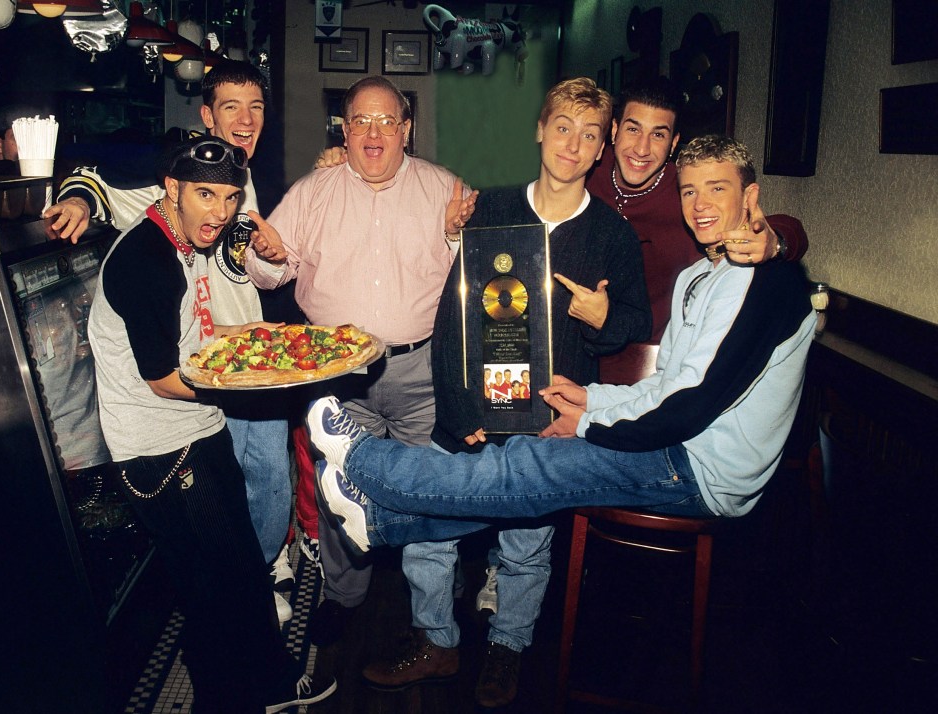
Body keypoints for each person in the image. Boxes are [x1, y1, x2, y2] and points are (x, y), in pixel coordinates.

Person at [307, 137, 816, 621]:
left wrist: (589, 424)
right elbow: (666, 385)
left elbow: (689, 405)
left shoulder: (768, 279)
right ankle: (375, 522)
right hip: (679, 447)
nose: (700, 203)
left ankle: (365, 460)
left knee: (531, 464)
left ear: (751, 195)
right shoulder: (699, 276)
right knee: (519, 481)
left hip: (702, 471)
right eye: (689, 189)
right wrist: (591, 398)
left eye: (717, 187)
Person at [359, 77, 650, 707]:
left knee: (527, 545)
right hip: (472, 411)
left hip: (549, 419)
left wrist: (605, 319)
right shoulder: (489, 210)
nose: (574, 144)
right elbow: (451, 320)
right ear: (540, 130)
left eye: (589, 134)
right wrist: (459, 406)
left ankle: (508, 648)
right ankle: (438, 641)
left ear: (601, 150)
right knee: (426, 533)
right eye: (563, 127)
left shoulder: (611, 235)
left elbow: (634, 326)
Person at [87, 136, 336, 713]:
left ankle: (263, 685)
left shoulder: (181, 243)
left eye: (228, 197)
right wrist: (257, 380)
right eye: (205, 194)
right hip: (160, 447)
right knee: (215, 586)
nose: (220, 212)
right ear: (171, 189)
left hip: (196, 428)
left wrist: (258, 340)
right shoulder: (144, 259)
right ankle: (240, 698)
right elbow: (164, 376)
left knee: (234, 573)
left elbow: (193, 337)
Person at [44, 60, 296, 624]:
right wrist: (82, 200)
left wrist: (259, 325)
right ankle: (248, 621)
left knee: (265, 487)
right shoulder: (164, 208)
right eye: (231, 106)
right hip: (194, 401)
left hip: (219, 373)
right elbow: (99, 178)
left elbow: (233, 292)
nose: (246, 119)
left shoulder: (256, 180)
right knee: (214, 570)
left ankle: (260, 587)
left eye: (256, 107)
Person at [245, 74, 477, 648]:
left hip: (421, 369)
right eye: (361, 122)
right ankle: (344, 597)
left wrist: (455, 238)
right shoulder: (313, 190)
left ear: (406, 130)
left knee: (431, 488)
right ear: (344, 131)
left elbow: (476, 285)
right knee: (339, 488)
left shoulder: (443, 189)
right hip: (337, 373)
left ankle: (434, 607)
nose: (374, 133)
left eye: (386, 121)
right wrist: (268, 254)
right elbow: (271, 271)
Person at [584, 77, 808, 382]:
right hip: (580, 349)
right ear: (614, 130)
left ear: (674, 144)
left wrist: (776, 241)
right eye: (633, 129)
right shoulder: (588, 170)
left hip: (656, 367)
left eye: (659, 134)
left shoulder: (688, 191)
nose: (642, 148)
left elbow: (775, 223)